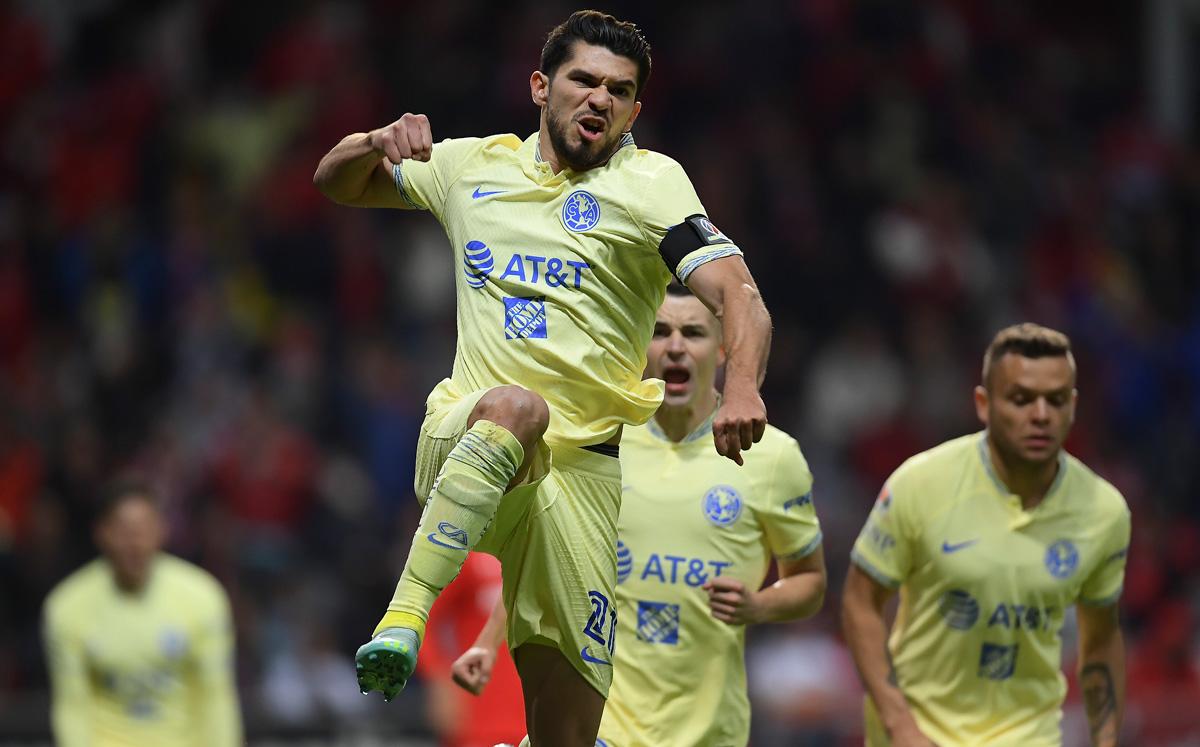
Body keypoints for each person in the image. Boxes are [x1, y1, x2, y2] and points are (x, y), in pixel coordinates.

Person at [312, 10, 772, 745]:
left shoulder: (652, 186)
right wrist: (374, 140)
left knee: (568, 735)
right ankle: (403, 617)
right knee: (518, 407)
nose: (599, 99)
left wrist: (742, 386)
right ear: (539, 87)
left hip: (583, 479)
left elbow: (737, 293)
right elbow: (337, 182)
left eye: (619, 91)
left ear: (634, 112)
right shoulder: (472, 167)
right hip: (470, 436)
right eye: (584, 80)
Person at [452, 285, 824, 746]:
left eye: (693, 333)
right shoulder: (600, 440)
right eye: (660, 331)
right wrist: (487, 643)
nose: (675, 346)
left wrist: (760, 605)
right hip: (604, 727)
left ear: (723, 349)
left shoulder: (773, 457)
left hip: (708, 732)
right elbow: (550, 561)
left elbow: (809, 581)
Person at [841, 323, 1131, 747]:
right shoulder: (919, 484)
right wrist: (899, 724)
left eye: (1055, 400)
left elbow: (1102, 639)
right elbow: (860, 602)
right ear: (983, 404)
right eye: (1021, 399)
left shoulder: (1104, 512)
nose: (1040, 415)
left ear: (1072, 407)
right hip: (918, 735)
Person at [42, 481, 242, 747]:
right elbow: (72, 706)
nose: (135, 543)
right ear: (101, 533)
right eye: (124, 531)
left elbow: (215, 696)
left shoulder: (203, 597)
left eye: (143, 529)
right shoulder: (67, 607)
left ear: (162, 530)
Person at [419, 552, 525, 747]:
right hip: (480, 718)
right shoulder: (469, 551)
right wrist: (439, 678)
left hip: (546, 716)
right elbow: (420, 615)